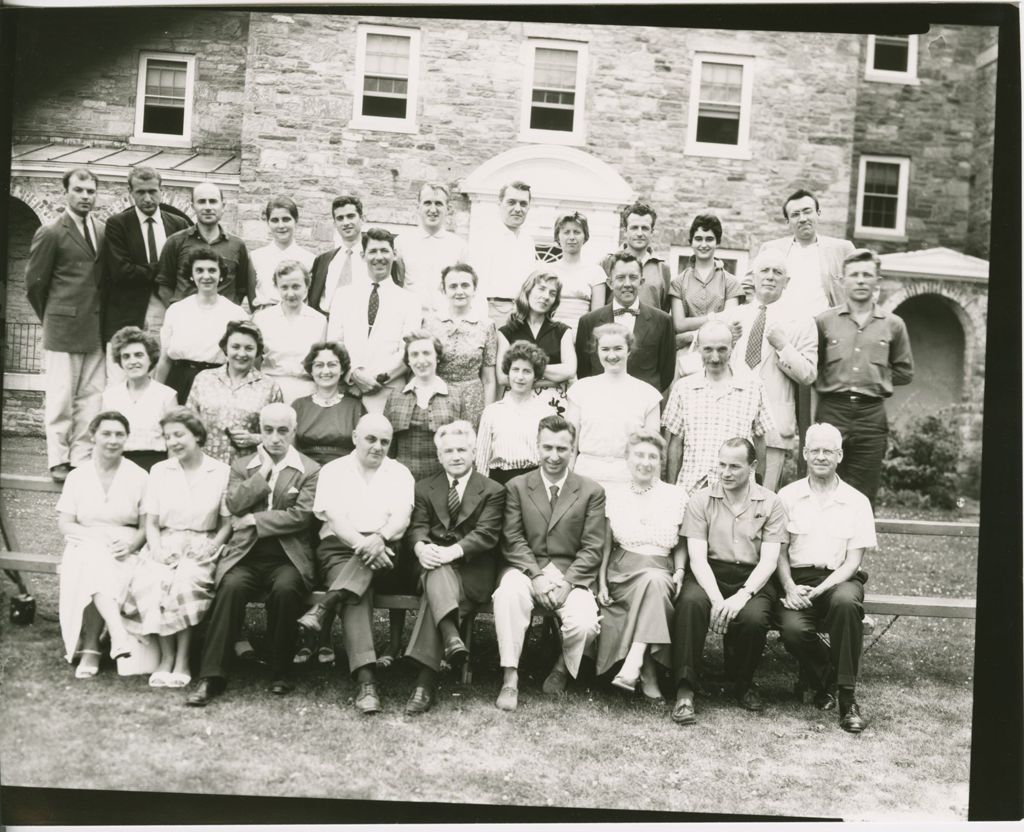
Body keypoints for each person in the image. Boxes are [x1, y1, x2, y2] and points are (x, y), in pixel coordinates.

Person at [186, 403, 321, 706]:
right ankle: (212, 675)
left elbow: (301, 517)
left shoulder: (309, 469)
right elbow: (234, 504)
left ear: (294, 432)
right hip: (246, 554)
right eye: (268, 430)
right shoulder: (242, 466)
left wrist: (254, 520)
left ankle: (280, 670)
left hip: (288, 556)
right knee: (231, 587)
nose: (275, 438)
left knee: (286, 589)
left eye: (282, 430)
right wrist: (263, 474)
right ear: (260, 431)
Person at [296, 414, 415, 715]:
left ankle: (326, 606)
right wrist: (366, 545)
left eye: (385, 441)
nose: (378, 447)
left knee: (351, 584)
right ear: (354, 437)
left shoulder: (400, 473)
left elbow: (401, 520)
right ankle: (366, 680)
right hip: (339, 547)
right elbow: (334, 519)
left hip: (388, 548)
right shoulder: (333, 471)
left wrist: (379, 538)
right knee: (356, 592)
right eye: (371, 439)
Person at [670, 438, 787, 726]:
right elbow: (697, 559)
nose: (726, 472)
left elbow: (769, 560)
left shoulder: (771, 502)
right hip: (710, 571)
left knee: (754, 617)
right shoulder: (701, 499)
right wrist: (718, 601)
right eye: (721, 465)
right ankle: (685, 688)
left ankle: (742, 682)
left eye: (735, 466)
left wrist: (742, 595)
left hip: (753, 576)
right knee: (690, 603)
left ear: (753, 466)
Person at [491, 415, 605, 711]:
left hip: (571, 573)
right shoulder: (517, 486)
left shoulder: (591, 491)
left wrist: (568, 583)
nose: (554, 456)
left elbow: (593, 547)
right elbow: (513, 538)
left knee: (585, 624)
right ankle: (510, 676)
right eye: (548, 447)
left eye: (562, 449)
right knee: (508, 594)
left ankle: (561, 668)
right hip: (526, 568)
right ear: (537, 447)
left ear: (573, 449)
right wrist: (536, 575)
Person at [775, 423, 876, 734]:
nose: (821, 456)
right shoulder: (787, 496)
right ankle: (830, 678)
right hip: (795, 578)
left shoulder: (857, 500)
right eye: (815, 450)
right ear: (805, 453)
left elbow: (853, 562)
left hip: (838, 579)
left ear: (839, 455)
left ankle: (847, 700)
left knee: (847, 605)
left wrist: (819, 590)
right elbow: (777, 552)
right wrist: (790, 587)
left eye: (828, 451)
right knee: (792, 629)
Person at [121, 407, 232, 688]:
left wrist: (211, 547)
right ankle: (166, 657)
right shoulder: (160, 471)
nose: (173, 442)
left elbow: (227, 524)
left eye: (179, 435)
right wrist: (156, 549)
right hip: (165, 540)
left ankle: (183, 659)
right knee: (155, 579)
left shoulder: (220, 471)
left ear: (196, 435)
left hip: (203, 542)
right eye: (168, 437)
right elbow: (152, 523)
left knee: (184, 580)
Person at [402, 421, 506, 714]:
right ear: (439, 456)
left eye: (462, 449)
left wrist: (447, 554)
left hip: (472, 572)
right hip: (430, 565)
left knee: (436, 581)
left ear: (474, 452)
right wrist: (421, 548)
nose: (456, 456)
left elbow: (485, 534)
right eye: (449, 451)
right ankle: (449, 640)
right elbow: (417, 528)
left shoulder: (493, 490)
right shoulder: (424, 487)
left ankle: (428, 677)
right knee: (436, 572)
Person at [380, 330, 464, 662]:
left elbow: (462, 449)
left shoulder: (453, 396)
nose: (421, 360)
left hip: (441, 490)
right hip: (403, 486)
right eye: (415, 355)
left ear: (437, 357)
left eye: (427, 353)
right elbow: (388, 449)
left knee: (436, 557)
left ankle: (440, 641)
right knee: (401, 557)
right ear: (408, 361)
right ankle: (394, 639)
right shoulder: (396, 397)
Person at [813, 249, 914, 508]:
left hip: (871, 415)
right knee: (821, 485)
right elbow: (812, 366)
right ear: (842, 280)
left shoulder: (894, 324)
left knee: (863, 495)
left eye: (867, 275)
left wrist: (875, 378)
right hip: (832, 410)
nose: (860, 280)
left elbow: (904, 371)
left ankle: (854, 549)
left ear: (877, 281)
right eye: (854, 274)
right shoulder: (824, 322)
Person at [25, 167, 106, 482]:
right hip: (62, 329)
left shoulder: (102, 230)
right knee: (60, 398)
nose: (85, 196)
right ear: (66, 192)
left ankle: (80, 458)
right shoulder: (52, 231)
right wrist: (54, 316)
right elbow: (34, 284)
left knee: (91, 398)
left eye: (90, 191)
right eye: (79, 190)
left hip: (96, 328)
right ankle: (58, 459)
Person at [596, 430, 687, 700]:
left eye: (653, 457)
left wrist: (680, 570)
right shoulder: (614, 494)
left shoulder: (676, 495)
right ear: (627, 458)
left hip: (662, 567)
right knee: (654, 585)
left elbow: (681, 543)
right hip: (622, 570)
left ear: (661, 461)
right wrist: (601, 582)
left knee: (656, 582)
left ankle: (635, 663)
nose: (645, 462)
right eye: (639, 455)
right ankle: (645, 669)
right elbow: (605, 545)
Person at [56, 411, 148, 677]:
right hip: (84, 540)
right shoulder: (78, 476)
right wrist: (93, 537)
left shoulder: (139, 476)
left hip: (125, 544)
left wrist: (131, 546)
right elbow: (66, 523)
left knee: (96, 565)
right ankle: (116, 635)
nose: (112, 440)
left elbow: (145, 527)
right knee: (91, 559)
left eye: (119, 434)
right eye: (106, 433)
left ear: (127, 439)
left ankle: (92, 648)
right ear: (93, 436)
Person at [722, 249, 817, 491]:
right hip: (730, 423)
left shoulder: (801, 321)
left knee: (763, 500)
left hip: (774, 426)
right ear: (752, 277)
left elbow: (808, 374)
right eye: (764, 271)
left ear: (787, 282)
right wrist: (728, 343)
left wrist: (784, 346)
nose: (770, 276)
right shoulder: (733, 317)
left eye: (778, 272)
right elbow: (710, 366)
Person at [663, 320, 775, 494]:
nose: (715, 358)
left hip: (738, 491)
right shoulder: (683, 388)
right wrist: (671, 493)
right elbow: (675, 445)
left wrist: (757, 490)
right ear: (698, 347)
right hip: (691, 487)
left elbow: (760, 443)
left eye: (722, 349)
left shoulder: (753, 387)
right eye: (708, 349)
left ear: (732, 347)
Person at [326, 227, 422, 414]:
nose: (379, 257)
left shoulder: (410, 301)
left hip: (388, 392)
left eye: (384, 251)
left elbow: (407, 351)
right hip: (349, 390)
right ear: (363, 255)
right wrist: (353, 374)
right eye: (373, 251)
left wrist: (374, 379)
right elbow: (335, 343)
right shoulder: (343, 295)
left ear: (394, 254)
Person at [101, 166, 190, 348]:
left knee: (161, 372)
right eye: (140, 192)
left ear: (161, 191)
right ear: (130, 192)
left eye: (152, 191)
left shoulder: (178, 224)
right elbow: (121, 272)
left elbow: (185, 269)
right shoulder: (117, 225)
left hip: (167, 309)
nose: (147, 198)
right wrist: (165, 268)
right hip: (128, 314)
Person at [566, 323, 662, 489]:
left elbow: (652, 449)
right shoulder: (580, 390)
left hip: (629, 480)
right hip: (585, 477)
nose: (612, 355)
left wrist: (652, 489)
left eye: (618, 348)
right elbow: (570, 444)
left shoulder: (648, 394)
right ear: (597, 351)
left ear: (629, 350)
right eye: (605, 349)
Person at [153, 247, 248, 404]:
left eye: (212, 270)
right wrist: (157, 395)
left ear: (221, 275)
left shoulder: (235, 313)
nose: (206, 276)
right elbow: (165, 359)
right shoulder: (176, 310)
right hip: (179, 381)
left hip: (218, 382)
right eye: (199, 270)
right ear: (191, 275)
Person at [576, 252, 675, 394]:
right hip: (600, 398)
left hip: (643, 402)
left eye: (633, 277)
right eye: (620, 278)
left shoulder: (663, 321)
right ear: (610, 283)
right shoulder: (589, 322)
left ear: (641, 282)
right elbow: (583, 371)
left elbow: (667, 372)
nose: (627, 284)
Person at [186, 320, 283, 465]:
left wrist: (254, 438)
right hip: (205, 467)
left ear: (257, 351)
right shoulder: (204, 379)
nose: (241, 353)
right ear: (226, 348)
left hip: (248, 470)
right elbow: (187, 424)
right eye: (235, 347)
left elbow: (282, 435)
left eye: (249, 348)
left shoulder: (269, 386)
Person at [757, 188, 856, 321]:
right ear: (788, 221)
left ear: (818, 213)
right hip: (779, 325)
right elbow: (750, 285)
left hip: (823, 328)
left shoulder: (842, 249)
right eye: (795, 214)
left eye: (807, 211)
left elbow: (859, 285)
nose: (803, 219)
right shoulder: (771, 248)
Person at [155, 182, 257, 308]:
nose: (208, 207)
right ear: (193, 206)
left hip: (223, 320)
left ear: (223, 206)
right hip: (185, 319)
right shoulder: (175, 242)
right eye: (202, 202)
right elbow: (164, 285)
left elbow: (241, 288)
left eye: (213, 201)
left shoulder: (237, 245)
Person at [496, 270, 577, 416]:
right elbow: (502, 377)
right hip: (516, 404)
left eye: (552, 293)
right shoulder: (507, 332)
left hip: (554, 405)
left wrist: (522, 371)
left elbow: (570, 370)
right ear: (527, 291)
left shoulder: (562, 331)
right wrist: (554, 380)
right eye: (541, 289)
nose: (546, 297)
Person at [426, 263, 497, 428]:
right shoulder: (430, 323)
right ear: (444, 291)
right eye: (453, 286)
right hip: (438, 396)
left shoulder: (486, 325)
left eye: (465, 285)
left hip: (473, 400)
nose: (459, 291)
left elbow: (489, 379)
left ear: (474, 289)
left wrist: (487, 416)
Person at [476, 340, 556, 483]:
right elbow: (481, 460)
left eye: (527, 371)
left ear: (536, 376)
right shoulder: (492, 412)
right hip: (499, 483)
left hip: (534, 483)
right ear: (508, 372)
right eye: (515, 370)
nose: (520, 377)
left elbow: (551, 456)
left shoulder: (546, 412)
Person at [101, 326, 178, 471]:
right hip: (119, 467)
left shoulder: (167, 396)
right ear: (120, 362)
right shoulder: (110, 396)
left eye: (139, 355)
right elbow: (103, 442)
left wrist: (170, 475)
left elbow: (174, 443)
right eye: (126, 356)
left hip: (156, 467)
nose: (133, 361)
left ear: (150, 358)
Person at [252, 260, 328, 403]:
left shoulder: (319, 321)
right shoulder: (262, 319)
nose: (290, 293)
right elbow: (255, 363)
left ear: (307, 286)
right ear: (277, 288)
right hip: (269, 390)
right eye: (284, 287)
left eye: (296, 286)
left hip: (308, 391)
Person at [668, 213, 743, 348]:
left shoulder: (730, 282)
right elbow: (679, 325)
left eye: (709, 239)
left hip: (720, 353)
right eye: (698, 239)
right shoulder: (678, 282)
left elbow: (729, 321)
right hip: (687, 356)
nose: (703, 244)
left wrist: (689, 336)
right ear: (691, 242)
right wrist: (713, 318)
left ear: (717, 242)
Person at [395, 182, 469, 313]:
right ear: (418, 207)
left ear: (448, 208)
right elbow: (399, 283)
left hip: (446, 317)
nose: (433, 210)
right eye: (427, 203)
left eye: (439, 204)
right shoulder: (402, 242)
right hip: (410, 316)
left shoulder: (459, 246)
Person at [292, 341, 368, 466]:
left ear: (342, 369)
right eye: (319, 365)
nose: (326, 371)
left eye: (332, 365)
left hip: (344, 472)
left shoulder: (355, 406)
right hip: (305, 474)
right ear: (311, 370)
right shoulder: (298, 406)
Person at [472, 180, 538, 325]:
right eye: (511, 202)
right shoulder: (485, 236)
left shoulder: (528, 241)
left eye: (523, 204)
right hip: (493, 311)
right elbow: (477, 284)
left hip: (523, 313)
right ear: (500, 204)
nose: (518, 208)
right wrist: (481, 320)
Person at [596, 201, 672, 312]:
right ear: (625, 231)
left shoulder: (662, 267)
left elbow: (664, 309)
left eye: (645, 228)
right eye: (634, 228)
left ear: (652, 232)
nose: (640, 233)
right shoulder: (607, 262)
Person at [249, 195, 316, 311]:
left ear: (296, 221)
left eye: (286, 219)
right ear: (268, 223)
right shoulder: (255, 257)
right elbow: (251, 295)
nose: (281, 225)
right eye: (275, 220)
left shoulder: (310, 259)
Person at [308, 195, 370, 314]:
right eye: (340, 218)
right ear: (335, 224)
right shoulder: (323, 260)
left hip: (358, 323)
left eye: (351, 216)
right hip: (326, 321)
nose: (346, 222)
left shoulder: (373, 259)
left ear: (363, 218)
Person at [549, 211, 606, 328]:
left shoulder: (596, 272)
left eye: (577, 232)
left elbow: (597, 317)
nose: (571, 237)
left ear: (585, 236)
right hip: (550, 333)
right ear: (557, 236)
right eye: (566, 232)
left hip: (582, 334)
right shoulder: (547, 270)